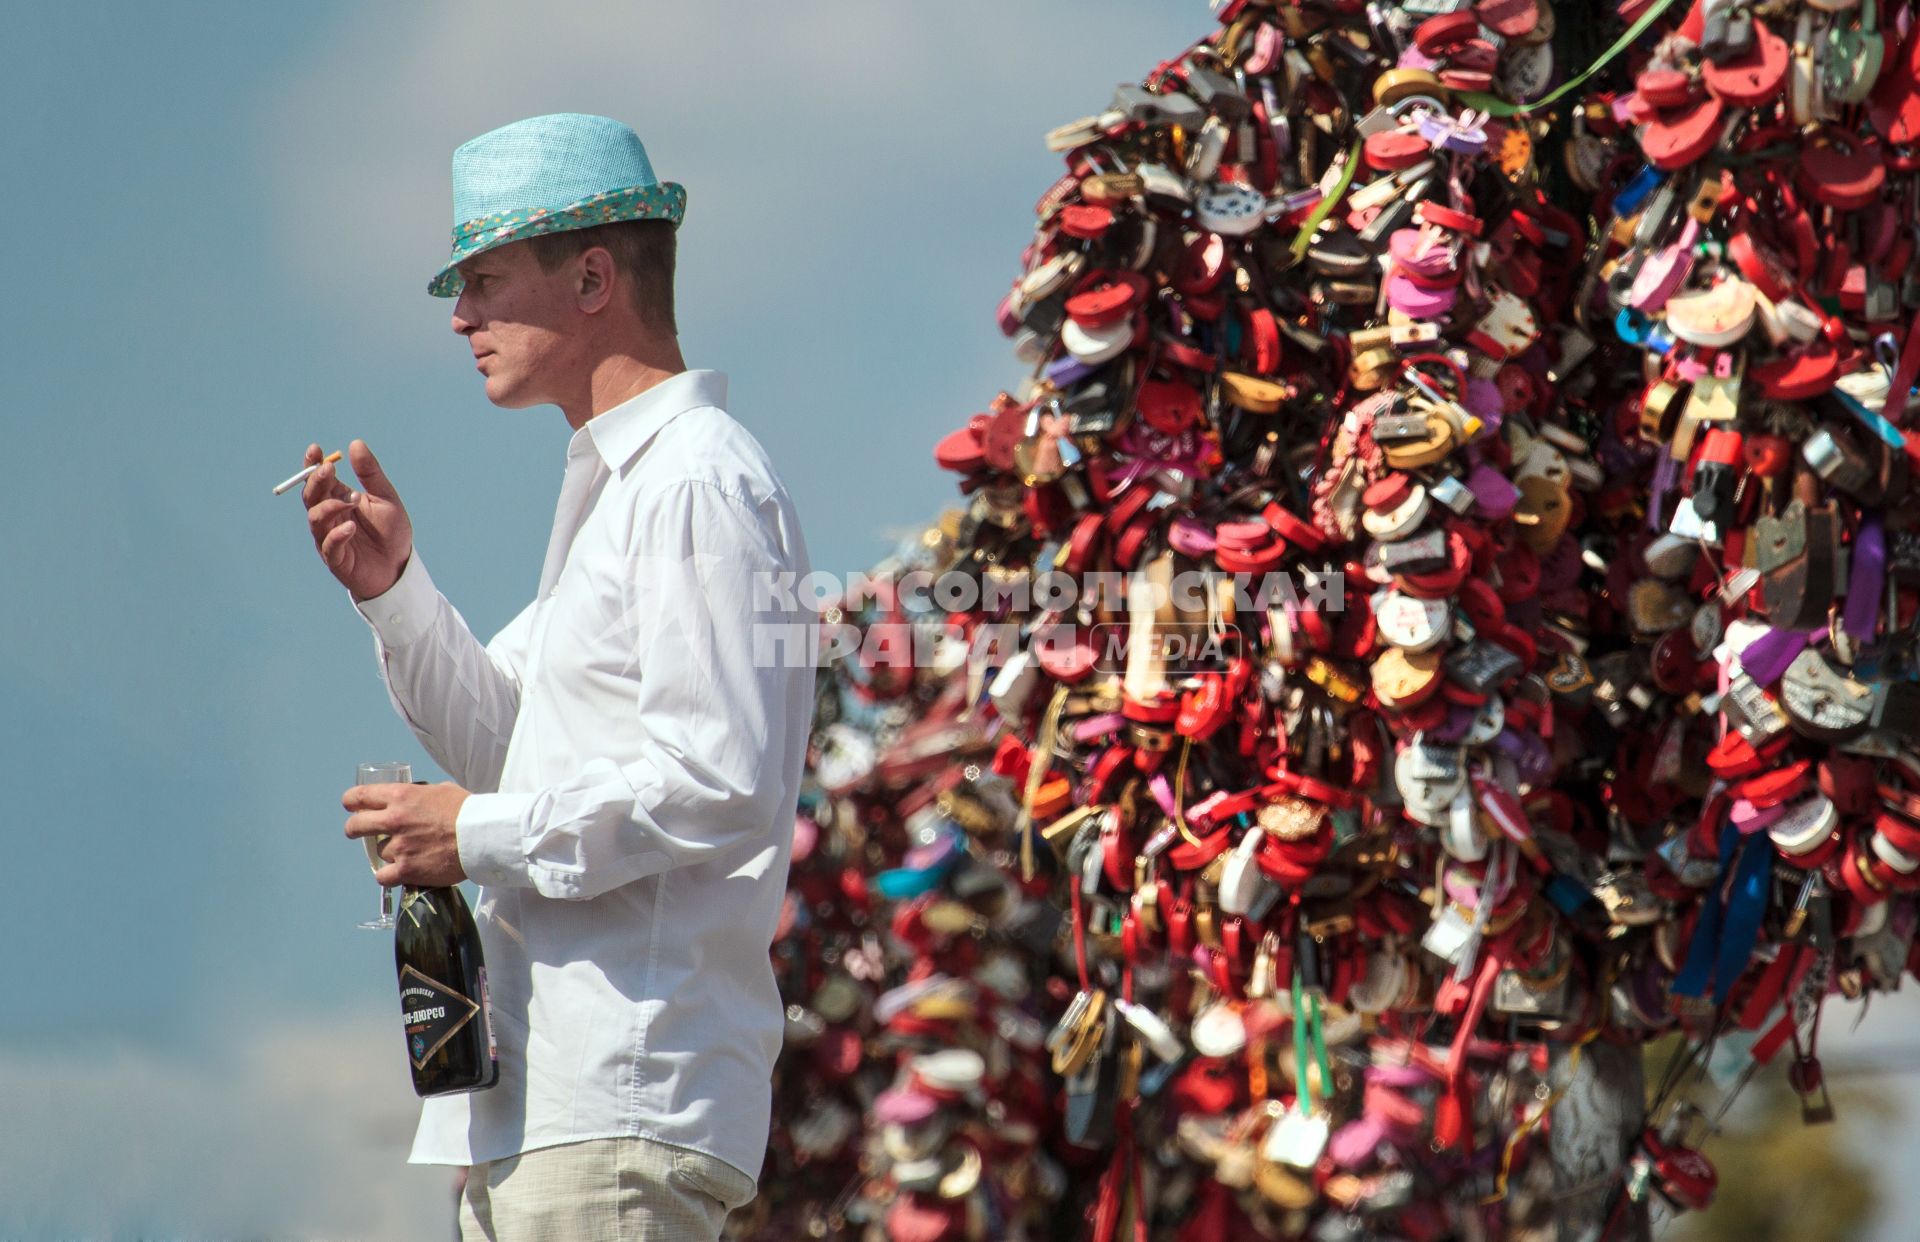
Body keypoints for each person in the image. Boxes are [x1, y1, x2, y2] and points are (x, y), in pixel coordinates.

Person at [296, 112, 815, 1241]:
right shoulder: (627, 490)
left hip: (621, 1096)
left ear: (592, 277)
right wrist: (393, 591)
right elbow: (507, 747)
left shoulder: (692, 482)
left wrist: (470, 837)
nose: (461, 317)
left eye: (483, 278)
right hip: (553, 1104)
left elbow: (716, 781)